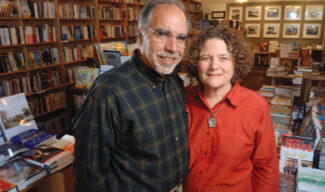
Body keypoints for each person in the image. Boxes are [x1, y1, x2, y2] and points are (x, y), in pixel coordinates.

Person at [72, 0, 190, 191]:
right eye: (162, 34)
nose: (173, 48)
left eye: (181, 38)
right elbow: (89, 175)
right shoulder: (108, 92)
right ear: (141, 36)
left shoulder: (175, 82)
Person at [183, 26, 280, 192]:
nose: (214, 66)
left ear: (236, 63)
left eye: (223, 58)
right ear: (195, 63)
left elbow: (266, 169)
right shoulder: (182, 99)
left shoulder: (256, 106)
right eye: (206, 57)